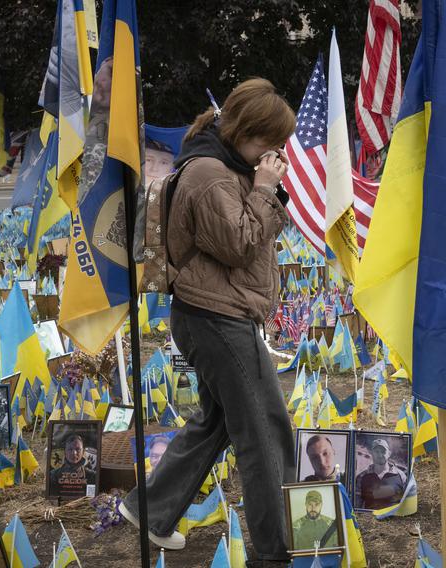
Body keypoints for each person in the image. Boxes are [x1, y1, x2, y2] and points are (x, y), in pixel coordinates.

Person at [119, 78, 296, 564]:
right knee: (265, 431)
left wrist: (262, 188)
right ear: (244, 129)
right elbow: (240, 245)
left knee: (218, 422)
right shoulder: (211, 175)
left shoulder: (223, 164)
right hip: (217, 319)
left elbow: (244, 238)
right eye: (269, 142)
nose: (273, 154)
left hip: (212, 314)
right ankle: (275, 551)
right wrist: (263, 189)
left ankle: (151, 510)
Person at [354, 439, 408, 510]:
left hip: (393, 519)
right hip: (370, 519)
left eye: (383, 451)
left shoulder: (401, 476)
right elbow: (356, 507)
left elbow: (406, 502)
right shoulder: (361, 477)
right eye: (376, 451)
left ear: (389, 453)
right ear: (371, 453)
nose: (380, 455)